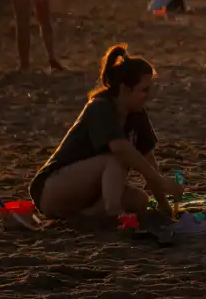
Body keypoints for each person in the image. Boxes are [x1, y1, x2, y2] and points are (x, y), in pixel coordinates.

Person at [29, 45, 184, 218]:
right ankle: (114, 212)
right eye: (144, 89)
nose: (149, 96)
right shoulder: (100, 107)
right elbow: (120, 148)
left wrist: (163, 204)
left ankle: (83, 217)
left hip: (88, 194)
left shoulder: (136, 114)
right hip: (53, 188)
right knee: (118, 157)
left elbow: (148, 160)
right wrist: (161, 181)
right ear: (125, 89)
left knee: (140, 200)